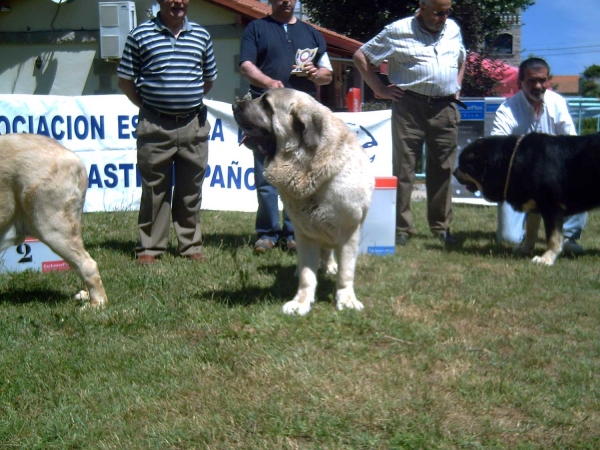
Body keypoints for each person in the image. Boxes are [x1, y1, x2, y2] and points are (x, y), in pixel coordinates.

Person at [353, 0, 465, 246]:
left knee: (443, 168)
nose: (443, 17)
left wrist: (456, 87)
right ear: (422, 8)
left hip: (445, 107)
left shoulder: (454, 29)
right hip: (409, 105)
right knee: (404, 168)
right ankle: (402, 228)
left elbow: (461, 58)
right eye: (438, 13)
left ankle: (441, 227)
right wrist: (379, 89)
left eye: (447, 12)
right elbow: (361, 56)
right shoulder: (397, 30)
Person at [116, 0, 218, 265]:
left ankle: (190, 245)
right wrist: (151, 106)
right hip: (154, 126)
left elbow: (208, 79)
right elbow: (125, 80)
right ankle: (149, 247)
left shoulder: (202, 35)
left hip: (192, 125)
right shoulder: (140, 35)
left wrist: (185, 102)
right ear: (159, 1)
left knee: (191, 188)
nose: (178, 2)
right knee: (154, 189)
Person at [239, 0, 333, 254]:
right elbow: (246, 66)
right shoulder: (256, 29)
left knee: (300, 179)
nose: (286, 1)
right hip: (267, 117)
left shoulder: (312, 33)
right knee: (267, 178)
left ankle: (295, 234)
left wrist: (316, 74)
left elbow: (328, 73)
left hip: (301, 120)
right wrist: (269, 82)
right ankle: (267, 235)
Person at [492, 57, 587, 255]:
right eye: (531, 81)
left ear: (548, 80)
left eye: (542, 80)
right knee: (509, 239)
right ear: (520, 83)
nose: (538, 85)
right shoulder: (506, 110)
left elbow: (572, 144)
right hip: (520, 182)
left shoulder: (558, 103)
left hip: (554, 179)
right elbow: (498, 150)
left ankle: (568, 236)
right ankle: (528, 235)